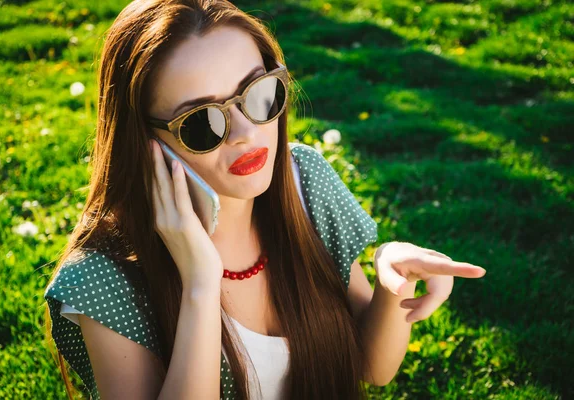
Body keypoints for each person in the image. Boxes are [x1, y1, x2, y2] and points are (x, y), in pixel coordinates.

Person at [43, 1, 487, 399]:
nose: (247, 133)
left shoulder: (303, 180)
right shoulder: (102, 278)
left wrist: (395, 279)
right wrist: (200, 284)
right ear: (143, 142)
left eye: (261, 93)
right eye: (201, 123)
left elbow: (373, 366)